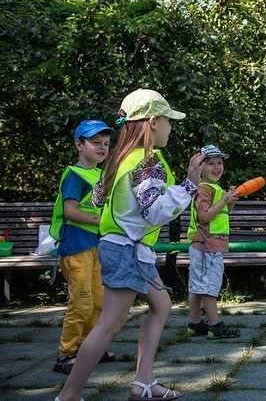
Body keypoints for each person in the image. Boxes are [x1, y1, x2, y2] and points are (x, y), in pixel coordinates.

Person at [56, 89, 204, 401]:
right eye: (167, 121)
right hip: (127, 250)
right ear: (152, 122)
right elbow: (156, 210)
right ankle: (69, 394)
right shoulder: (146, 161)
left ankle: (143, 383)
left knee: (161, 305)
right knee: (111, 323)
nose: (170, 127)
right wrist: (190, 184)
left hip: (126, 248)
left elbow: (98, 198)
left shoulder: (120, 158)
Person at [51, 120, 114, 375]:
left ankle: (91, 349)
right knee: (82, 303)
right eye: (95, 142)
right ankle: (66, 354)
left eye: (106, 144)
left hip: (94, 246)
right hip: (76, 246)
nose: (102, 147)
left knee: (99, 301)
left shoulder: (99, 174)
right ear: (79, 145)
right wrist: (100, 220)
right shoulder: (74, 175)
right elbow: (70, 210)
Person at [186, 144, 240, 339]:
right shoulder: (204, 189)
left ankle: (195, 323)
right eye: (210, 163)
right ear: (199, 168)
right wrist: (224, 201)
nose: (217, 167)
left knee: (198, 285)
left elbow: (219, 215)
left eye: (219, 163)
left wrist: (229, 203)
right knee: (209, 286)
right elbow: (204, 217)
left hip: (207, 244)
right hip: (206, 245)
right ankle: (215, 325)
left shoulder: (214, 188)